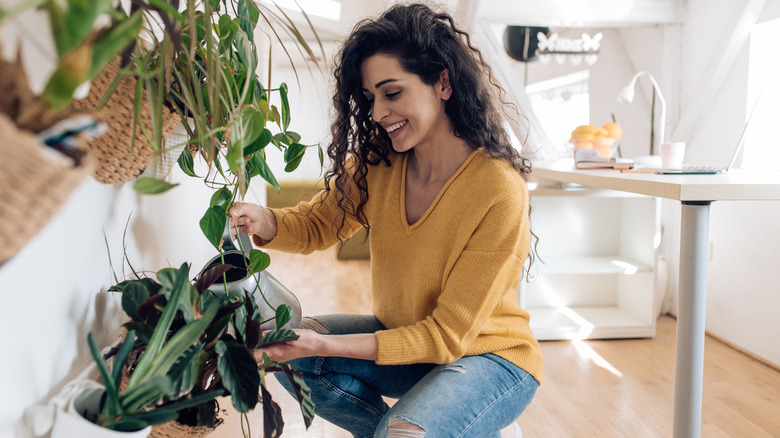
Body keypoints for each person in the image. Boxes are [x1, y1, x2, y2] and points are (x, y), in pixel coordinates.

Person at [229, 3, 543, 437]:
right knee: (292, 351)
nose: (377, 113)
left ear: (443, 83)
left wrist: (323, 342)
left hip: (487, 358)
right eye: (371, 98)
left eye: (392, 93)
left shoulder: (497, 190)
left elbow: (446, 337)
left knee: (394, 423)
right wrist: (263, 220)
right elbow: (318, 225)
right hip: (410, 345)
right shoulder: (379, 165)